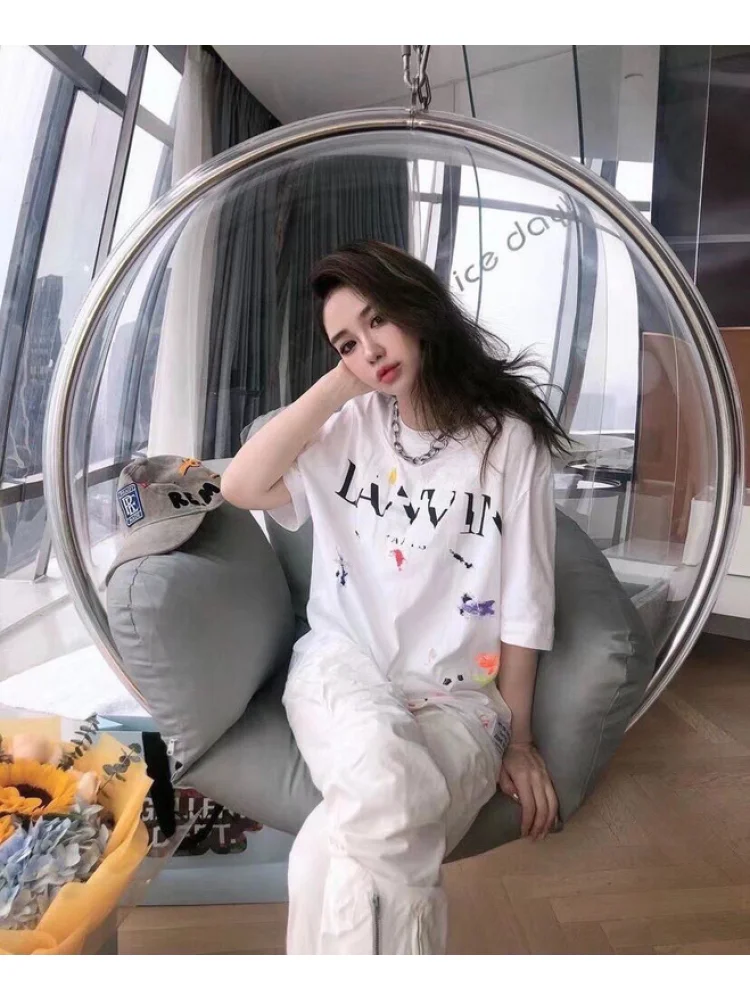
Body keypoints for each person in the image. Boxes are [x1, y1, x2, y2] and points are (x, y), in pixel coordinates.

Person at [221, 239, 569, 955]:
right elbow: (241, 485)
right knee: (386, 785)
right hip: (342, 668)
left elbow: (526, 604)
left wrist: (521, 742)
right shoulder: (346, 429)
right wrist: (340, 386)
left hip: (462, 701)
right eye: (347, 342)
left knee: (327, 854)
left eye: (378, 319)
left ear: (418, 306)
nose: (371, 349)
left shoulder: (509, 443)